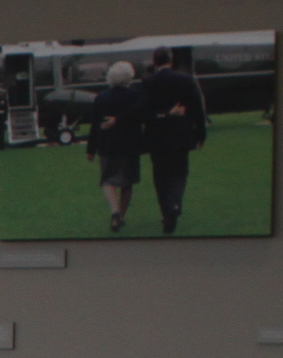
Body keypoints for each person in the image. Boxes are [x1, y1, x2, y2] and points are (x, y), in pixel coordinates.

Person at [137, 47, 207, 234]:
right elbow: (197, 108)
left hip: (157, 136)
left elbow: (143, 111)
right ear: (171, 59)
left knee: (160, 175)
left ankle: (166, 210)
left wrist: (160, 116)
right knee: (179, 173)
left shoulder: (148, 82)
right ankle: (175, 204)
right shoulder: (186, 80)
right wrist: (201, 133)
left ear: (154, 61)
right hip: (181, 135)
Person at [86, 61, 142, 231]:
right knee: (127, 182)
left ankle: (114, 211)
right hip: (130, 144)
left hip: (107, 144)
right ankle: (122, 216)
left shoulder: (101, 98)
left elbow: (95, 125)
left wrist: (91, 149)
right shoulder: (136, 96)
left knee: (108, 180)